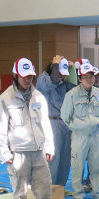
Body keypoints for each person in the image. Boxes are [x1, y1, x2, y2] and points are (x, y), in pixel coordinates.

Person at [0, 57, 55, 199]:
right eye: (24, 76)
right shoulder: (5, 99)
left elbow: (45, 124)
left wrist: (49, 147)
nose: (27, 79)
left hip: (38, 151)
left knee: (44, 188)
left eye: (30, 76)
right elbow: (0, 127)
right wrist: (5, 153)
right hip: (18, 153)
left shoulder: (39, 97)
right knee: (19, 192)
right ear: (16, 75)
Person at [60, 63, 99, 199]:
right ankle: (78, 195)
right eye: (85, 77)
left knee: (97, 166)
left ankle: (97, 194)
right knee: (78, 166)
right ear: (80, 78)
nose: (89, 79)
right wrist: (77, 128)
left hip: (96, 135)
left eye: (91, 76)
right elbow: (65, 116)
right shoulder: (71, 95)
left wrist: (94, 125)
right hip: (79, 136)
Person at [36, 56, 74, 188]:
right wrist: (56, 65)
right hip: (51, 123)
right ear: (53, 68)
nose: (62, 78)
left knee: (65, 158)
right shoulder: (43, 79)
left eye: (64, 75)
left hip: (65, 122)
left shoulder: (65, 82)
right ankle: (48, 189)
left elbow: (76, 88)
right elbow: (53, 81)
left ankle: (59, 189)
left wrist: (74, 69)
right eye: (60, 74)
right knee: (53, 158)